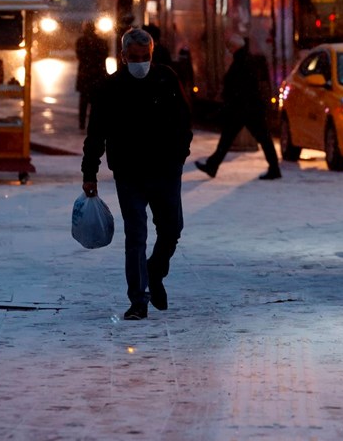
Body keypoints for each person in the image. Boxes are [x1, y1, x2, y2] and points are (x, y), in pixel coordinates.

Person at [81, 28, 193, 321]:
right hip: (130, 173)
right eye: (134, 58)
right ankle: (138, 299)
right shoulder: (111, 88)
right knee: (136, 235)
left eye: (145, 57)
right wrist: (89, 171)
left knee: (172, 229)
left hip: (165, 169)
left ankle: (154, 272)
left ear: (152, 55)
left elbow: (183, 119)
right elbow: (96, 134)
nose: (140, 63)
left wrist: (179, 154)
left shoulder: (165, 78)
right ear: (123, 57)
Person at [195, 33, 281, 180]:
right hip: (248, 108)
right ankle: (212, 165)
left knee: (231, 139)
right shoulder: (246, 59)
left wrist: (230, 100)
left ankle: (274, 169)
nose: (228, 50)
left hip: (243, 109)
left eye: (229, 47)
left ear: (235, 47)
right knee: (254, 138)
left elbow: (239, 86)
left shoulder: (241, 61)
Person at [75, 20, 109, 131]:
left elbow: (80, 56)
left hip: (85, 76)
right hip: (98, 76)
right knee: (97, 103)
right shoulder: (102, 42)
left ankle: (82, 125)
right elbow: (104, 55)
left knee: (84, 103)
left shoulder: (80, 41)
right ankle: (96, 125)